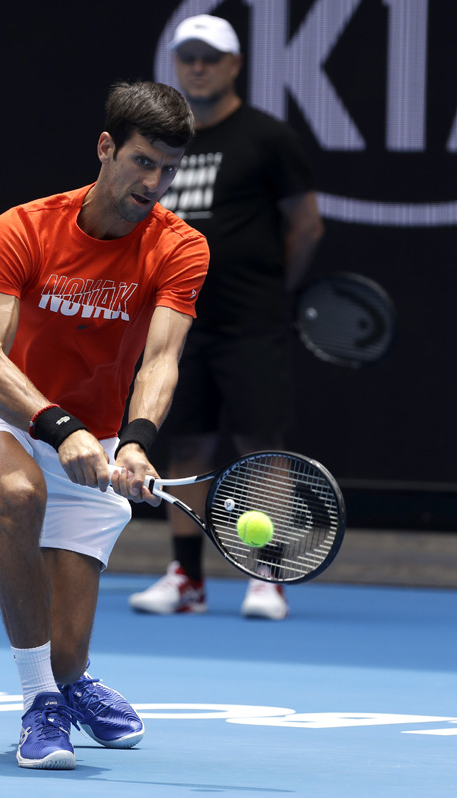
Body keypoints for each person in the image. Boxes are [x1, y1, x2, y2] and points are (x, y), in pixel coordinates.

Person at [0, 80, 209, 770]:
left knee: (65, 650)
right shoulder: (24, 228)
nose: (155, 183)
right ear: (106, 148)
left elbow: (161, 360)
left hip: (95, 438)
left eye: (169, 170)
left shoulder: (180, 248)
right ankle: (40, 704)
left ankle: (69, 680)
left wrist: (139, 443)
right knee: (20, 493)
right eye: (143, 162)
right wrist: (61, 428)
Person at [129, 15, 324, 620]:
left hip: (251, 321)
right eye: (188, 56)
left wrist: (269, 290)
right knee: (182, 442)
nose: (198, 67)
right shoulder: (164, 143)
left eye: (210, 58)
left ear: (234, 65)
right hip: (178, 321)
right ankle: (187, 578)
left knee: (260, 445)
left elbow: (306, 224)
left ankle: (268, 575)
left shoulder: (267, 138)